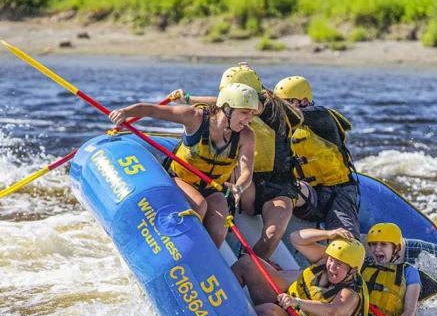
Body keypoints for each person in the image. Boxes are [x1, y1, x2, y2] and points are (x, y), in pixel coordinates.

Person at [169, 65, 303, 259]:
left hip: (277, 184)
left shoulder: (267, 106)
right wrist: (188, 100)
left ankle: (248, 265)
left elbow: (232, 103)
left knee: (272, 234)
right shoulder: (231, 108)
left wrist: (190, 99)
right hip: (249, 181)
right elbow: (221, 104)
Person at [109, 83, 258, 248]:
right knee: (199, 205)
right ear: (227, 109)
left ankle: (202, 261)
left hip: (213, 188)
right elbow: (152, 110)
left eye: (252, 113)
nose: (250, 119)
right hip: (181, 179)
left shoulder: (246, 135)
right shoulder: (194, 117)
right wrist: (124, 112)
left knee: (219, 229)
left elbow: (246, 173)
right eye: (245, 112)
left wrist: (239, 187)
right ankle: (175, 247)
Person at [231, 228, 369, 316]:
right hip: (285, 303)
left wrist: (296, 302)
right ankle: (221, 298)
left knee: (269, 311)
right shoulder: (325, 259)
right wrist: (328, 233)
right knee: (248, 263)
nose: (332, 267)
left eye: (339, 265)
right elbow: (296, 238)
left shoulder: (351, 294)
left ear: (352, 270)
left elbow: (332, 311)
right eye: (332, 260)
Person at [273, 76, 361, 239]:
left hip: (338, 193)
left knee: (345, 241)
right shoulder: (282, 127)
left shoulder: (322, 116)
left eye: (284, 103)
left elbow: (294, 114)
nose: (278, 109)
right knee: (286, 187)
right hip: (308, 193)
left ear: (304, 101)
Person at [343, 223, 424, 316]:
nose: (377, 249)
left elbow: (409, 312)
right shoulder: (361, 264)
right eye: (373, 244)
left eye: (383, 245)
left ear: (396, 247)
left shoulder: (409, 272)